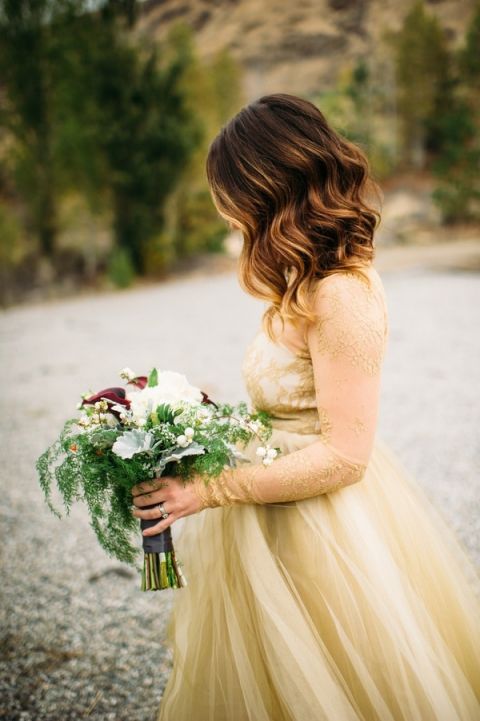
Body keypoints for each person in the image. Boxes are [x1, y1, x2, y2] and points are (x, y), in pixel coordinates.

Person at [131, 94, 480, 721]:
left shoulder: (341, 295)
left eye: (231, 200)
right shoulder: (303, 281)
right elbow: (289, 403)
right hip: (269, 510)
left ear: (267, 191)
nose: (227, 217)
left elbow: (347, 456)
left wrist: (208, 489)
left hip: (323, 530)